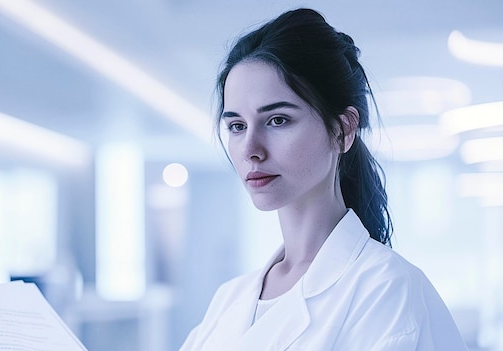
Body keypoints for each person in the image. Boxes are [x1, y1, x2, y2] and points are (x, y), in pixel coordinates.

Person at [180, 8, 467, 350]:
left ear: (343, 129)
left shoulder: (388, 290)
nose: (250, 150)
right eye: (237, 126)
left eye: (277, 120)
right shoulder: (229, 300)